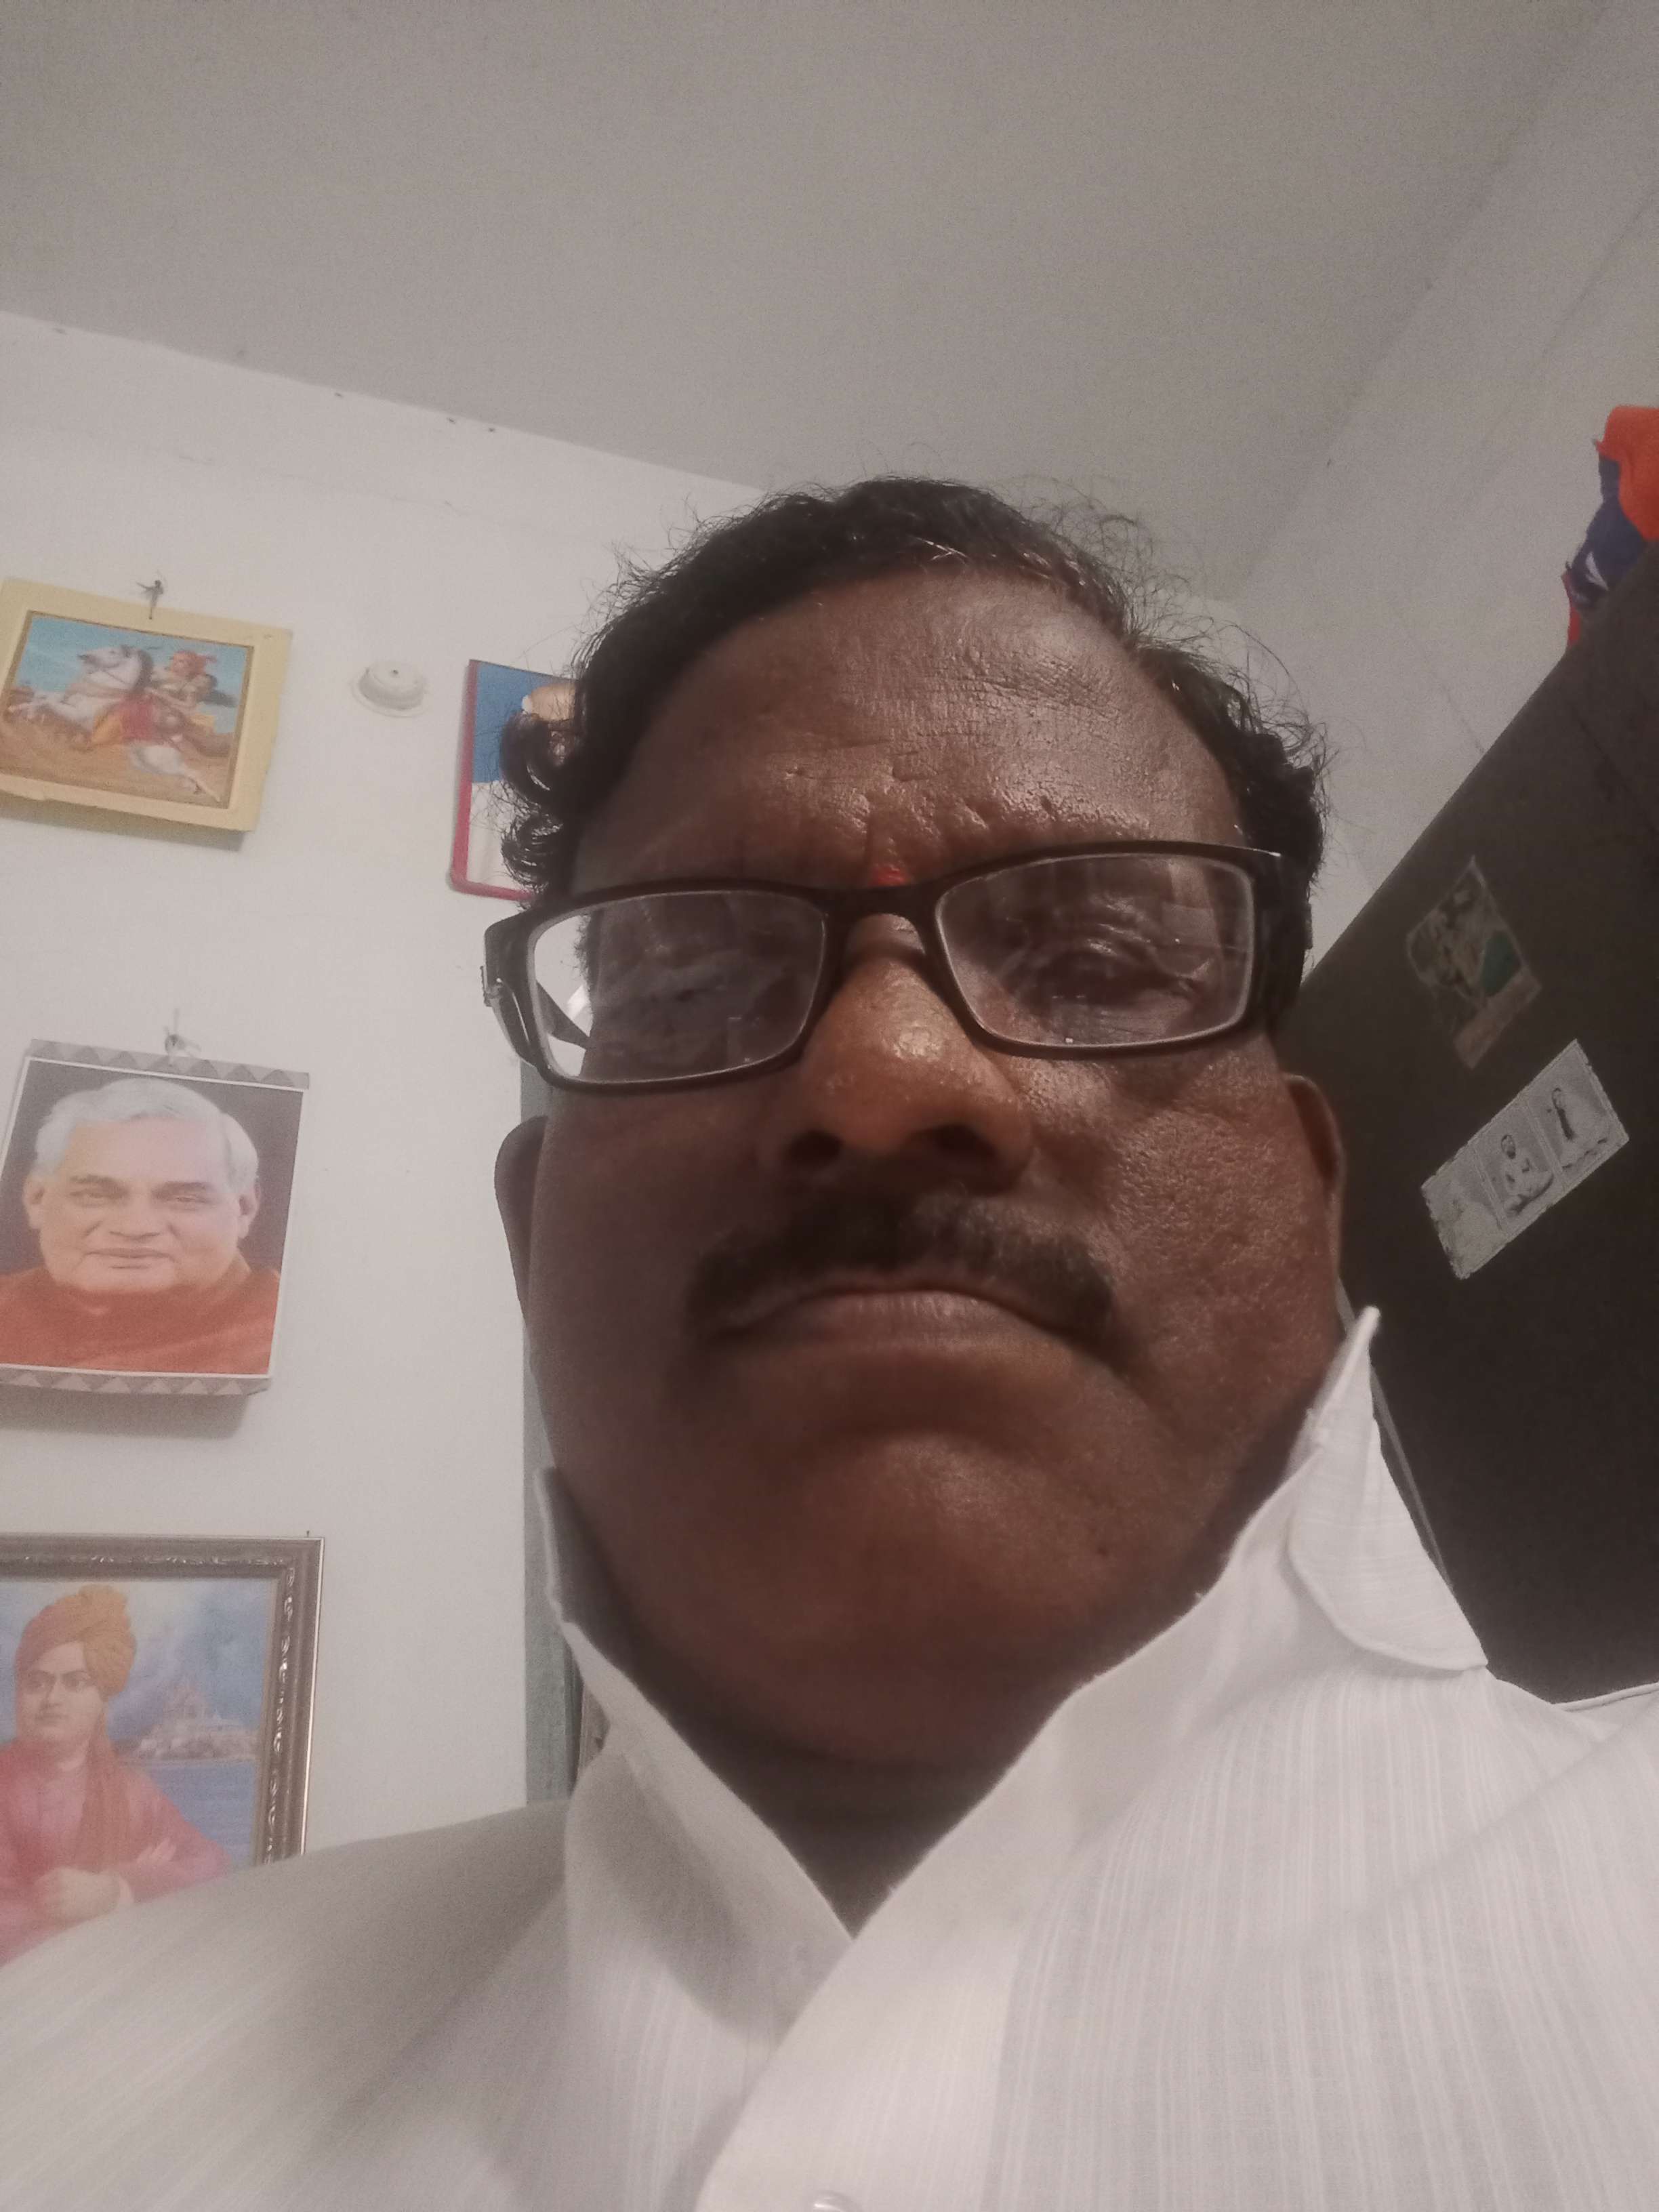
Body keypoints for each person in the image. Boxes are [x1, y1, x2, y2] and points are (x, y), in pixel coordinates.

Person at [3, 479, 1658, 2210]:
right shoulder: (63, 2085)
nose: (881, 1076)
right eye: (690, 983)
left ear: (1313, 1192)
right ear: (530, 1240)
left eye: (1094, 956)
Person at [0, 1586, 230, 1966]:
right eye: (37, 1682)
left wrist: (115, 1890)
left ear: (103, 1700)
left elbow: (212, 1867)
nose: (52, 1698)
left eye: (75, 1682)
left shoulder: (132, 1792)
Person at [0, 1076, 279, 1376]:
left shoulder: (287, 1339)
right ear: (37, 1200)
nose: (135, 1227)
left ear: (244, 1209)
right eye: (95, 1195)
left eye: (184, 1199)